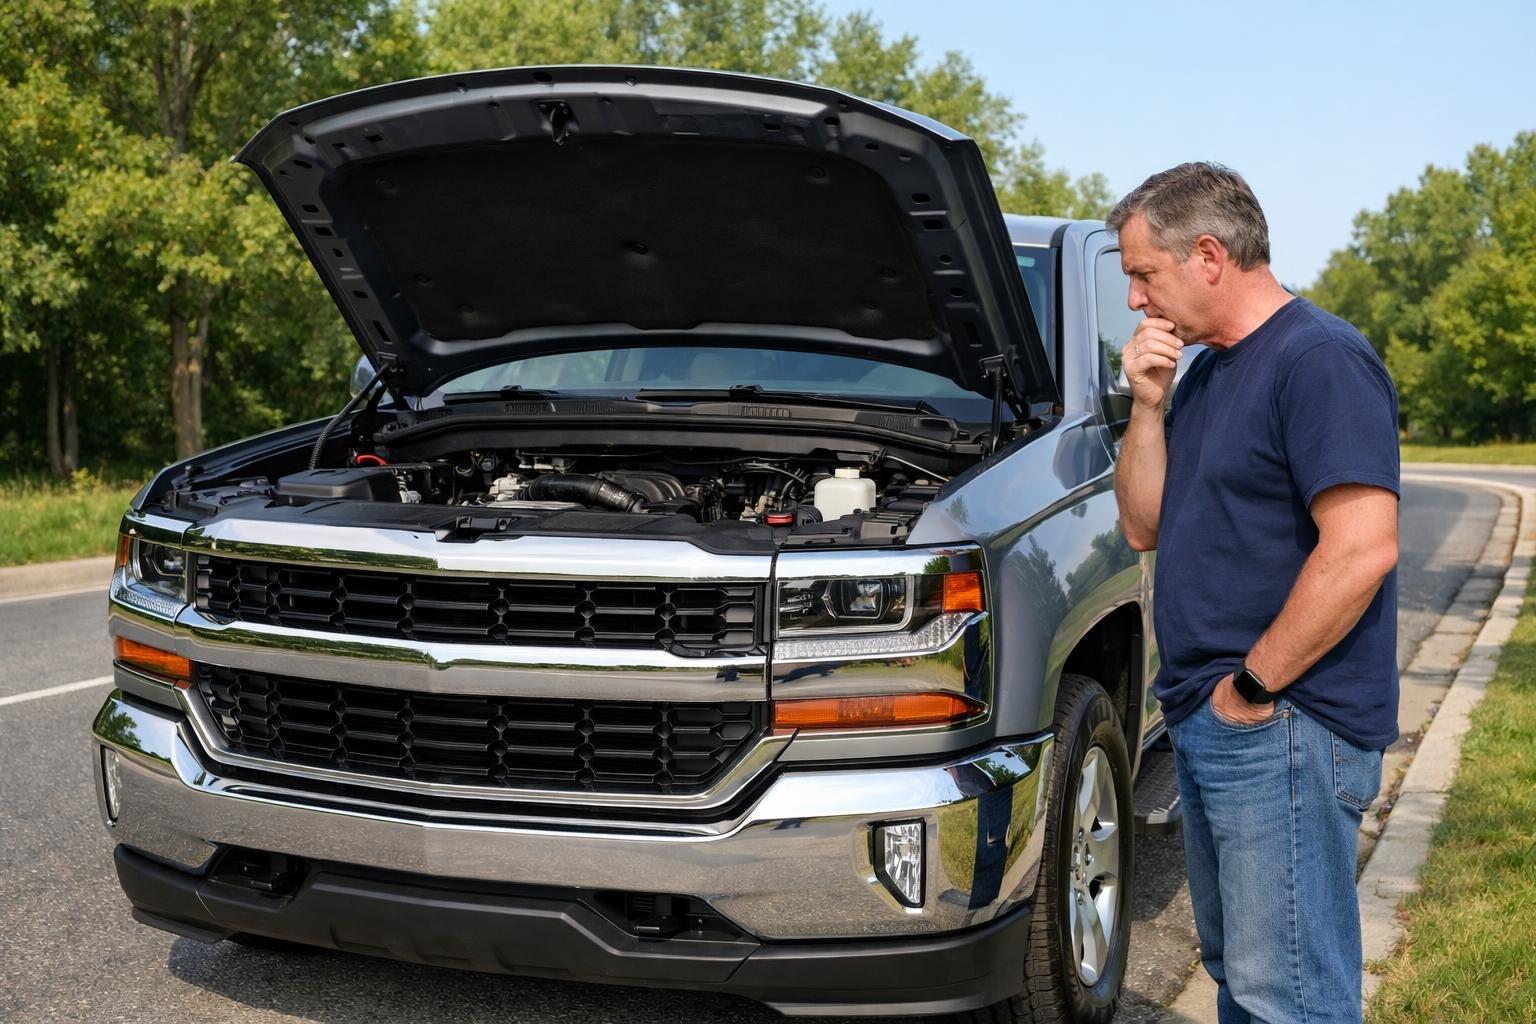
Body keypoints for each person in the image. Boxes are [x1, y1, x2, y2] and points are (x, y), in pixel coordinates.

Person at [1109, 162, 1400, 1024]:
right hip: (1215, 713)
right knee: (1244, 975)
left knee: (1291, 998)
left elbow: (1362, 551)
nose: (1134, 300)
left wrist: (1253, 690)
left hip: (1283, 721)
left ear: (1207, 255)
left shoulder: (1318, 360)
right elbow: (1142, 526)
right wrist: (1148, 406)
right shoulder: (1204, 371)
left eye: (1143, 274)